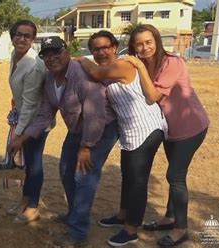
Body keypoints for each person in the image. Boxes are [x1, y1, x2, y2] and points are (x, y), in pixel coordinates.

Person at [10, 36, 118, 246]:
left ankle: (78, 233)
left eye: (56, 52)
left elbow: (95, 115)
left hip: (101, 127)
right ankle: (73, 214)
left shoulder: (80, 75)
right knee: (66, 169)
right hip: (78, 127)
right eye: (46, 55)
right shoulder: (51, 79)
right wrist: (21, 138)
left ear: (67, 51)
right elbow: (44, 115)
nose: (52, 58)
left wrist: (86, 147)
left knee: (83, 175)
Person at [122, 24, 209, 247]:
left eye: (148, 42)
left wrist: (139, 67)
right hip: (170, 128)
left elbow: (152, 96)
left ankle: (181, 229)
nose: (144, 47)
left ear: (157, 41)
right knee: (175, 174)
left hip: (190, 127)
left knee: (175, 176)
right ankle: (170, 218)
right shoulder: (147, 63)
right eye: (139, 44)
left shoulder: (172, 62)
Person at [78, 30, 168, 246]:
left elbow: (97, 75)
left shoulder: (124, 65)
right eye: (96, 49)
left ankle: (131, 230)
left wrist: (81, 59)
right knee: (128, 175)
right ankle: (122, 215)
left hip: (147, 128)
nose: (101, 52)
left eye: (105, 47)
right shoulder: (110, 68)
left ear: (115, 47)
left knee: (137, 181)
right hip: (130, 132)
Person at [3, 20, 48, 223]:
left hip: (36, 121)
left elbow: (31, 105)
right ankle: (24, 200)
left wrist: (18, 134)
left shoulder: (34, 66)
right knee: (28, 164)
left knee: (34, 164)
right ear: (12, 36)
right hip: (23, 116)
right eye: (18, 34)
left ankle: (32, 206)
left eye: (27, 36)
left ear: (33, 39)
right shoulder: (15, 55)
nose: (22, 39)